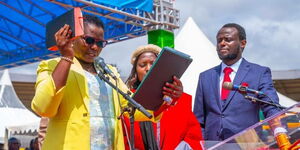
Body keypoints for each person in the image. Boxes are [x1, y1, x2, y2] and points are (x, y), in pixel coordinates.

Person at [31, 14, 177, 150]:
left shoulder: (110, 72)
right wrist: (67, 57)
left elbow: (135, 110)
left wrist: (166, 97)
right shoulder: (51, 66)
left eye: (100, 43)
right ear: (73, 38)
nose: (94, 47)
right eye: (89, 40)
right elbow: (43, 107)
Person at [193, 23, 281, 141]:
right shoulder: (205, 77)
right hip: (212, 145)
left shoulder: (259, 73)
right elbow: (198, 120)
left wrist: (279, 129)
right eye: (219, 40)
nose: (222, 43)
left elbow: (271, 107)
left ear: (243, 43)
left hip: (246, 145)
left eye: (228, 40)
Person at [123, 44, 203, 150]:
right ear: (136, 72)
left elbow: (193, 137)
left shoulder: (181, 99)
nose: (148, 68)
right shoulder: (127, 100)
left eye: (153, 63)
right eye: (142, 65)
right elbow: (123, 138)